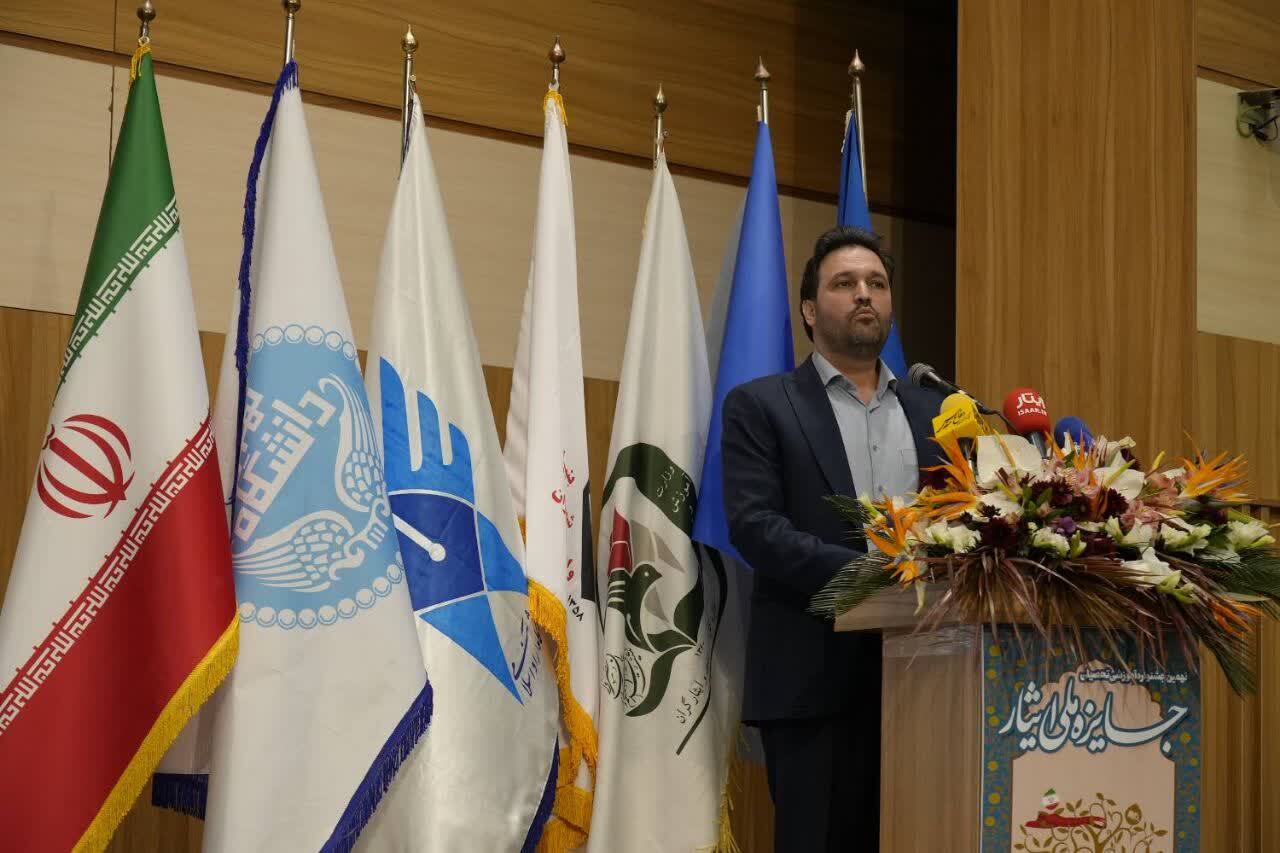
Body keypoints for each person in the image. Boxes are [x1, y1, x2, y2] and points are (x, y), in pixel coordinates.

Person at [720, 225, 946, 851]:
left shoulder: (935, 410)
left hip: (930, 680)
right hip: (811, 681)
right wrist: (874, 574)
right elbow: (756, 527)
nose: (864, 294)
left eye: (877, 283)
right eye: (844, 283)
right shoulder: (763, 405)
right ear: (810, 310)